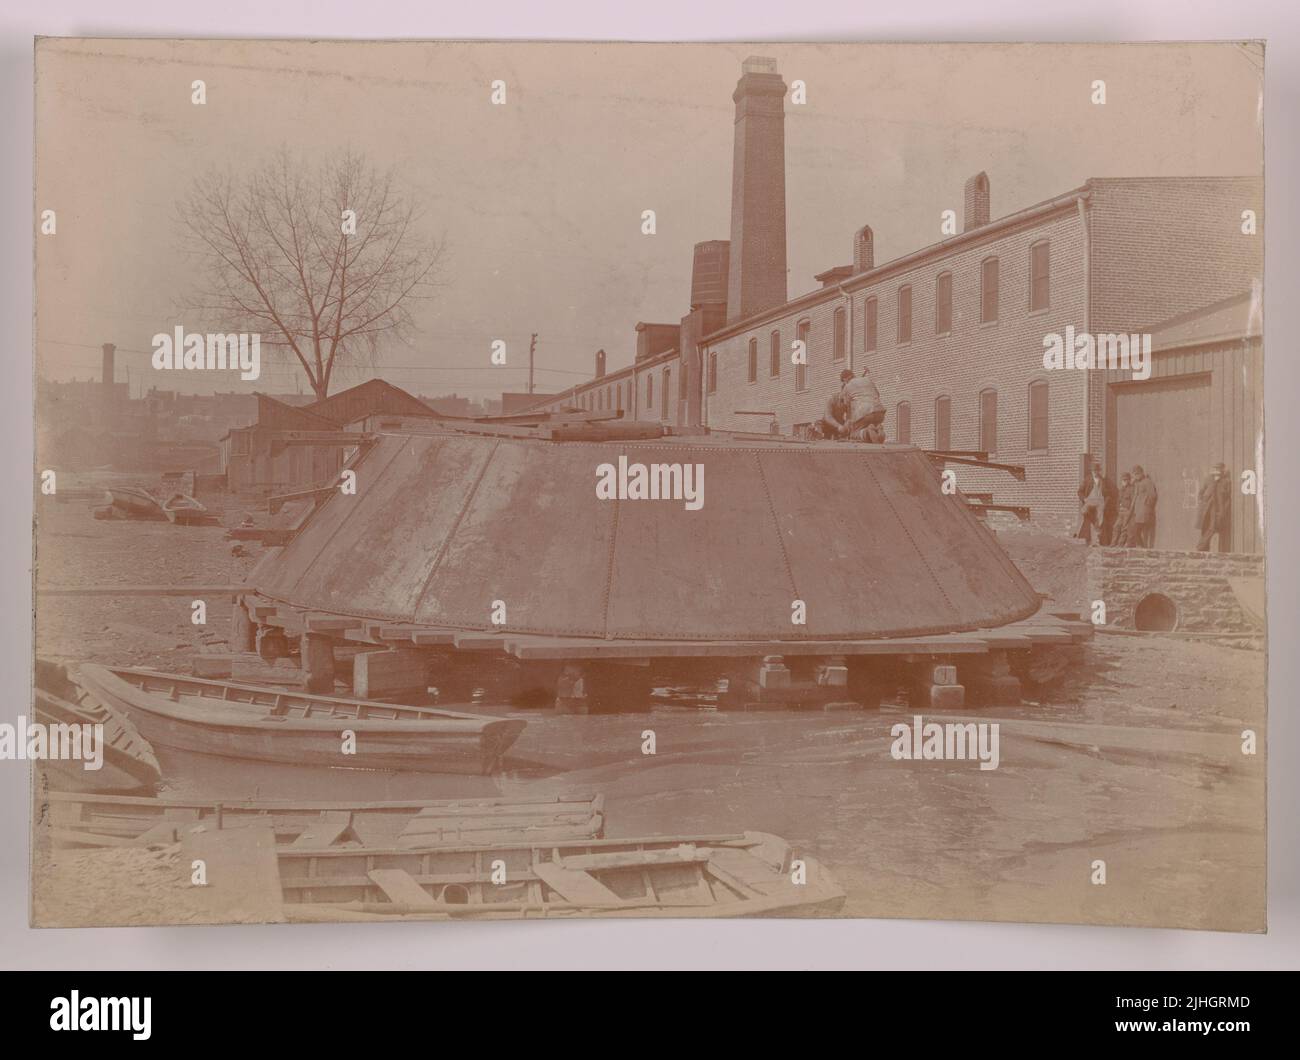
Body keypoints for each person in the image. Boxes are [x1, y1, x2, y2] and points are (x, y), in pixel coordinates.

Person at [842, 366, 886, 443]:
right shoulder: (867, 380)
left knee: (854, 434)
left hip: (865, 413)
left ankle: (866, 432)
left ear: (845, 379)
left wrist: (850, 423)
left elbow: (847, 407)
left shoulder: (847, 386)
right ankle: (878, 428)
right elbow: (878, 394)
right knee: (872, 426)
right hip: (880, 412)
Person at [1196, 462, 1233, 552]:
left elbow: (1227, 498)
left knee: (1213, 528)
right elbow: (1201, 492)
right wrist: (1202, 503)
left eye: (1219, 469)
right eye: (1215, 468)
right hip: (1206, 509)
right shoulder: (1208, 479)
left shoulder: (1226, 482)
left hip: (1217, 509)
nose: (1216, 471)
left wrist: (1223, 510)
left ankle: (1200, 546)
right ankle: (1204, 550)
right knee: (1205, 527)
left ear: (1222, 470)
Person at [1075, 463, 1111, 545]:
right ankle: (1088, 537)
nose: (1095, 472)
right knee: (1084, 512)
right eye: (1094, 471)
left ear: (1099, 471)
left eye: (1097, 470)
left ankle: (1097, 540)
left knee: (1100, 520)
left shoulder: (1103, 480)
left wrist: (1105, 503)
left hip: (1100, 502)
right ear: (1091, 471)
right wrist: (1084, 499)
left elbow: (1108, 494)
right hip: (1090, 500)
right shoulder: (1087, 480)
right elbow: (1079, 491)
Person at [816, 369, 855, 439]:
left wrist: (847, 424)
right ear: (843, 391)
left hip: (839, 425)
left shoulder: (848, 401)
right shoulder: (832, 399)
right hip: (827, 425)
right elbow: (828, 417)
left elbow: (849, 416)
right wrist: (839, 426)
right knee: (819, 425)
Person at [1127, 465, 1158, 548]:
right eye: (1134, 474)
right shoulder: (1137, 483)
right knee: (1137, 531)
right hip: (1138, 512)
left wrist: (1146, 506)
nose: (1135, 476)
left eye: (1137, 474)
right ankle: (1143, 547)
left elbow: (1153, 495)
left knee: (1138, 531)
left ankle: (1143, 548)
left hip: (1144, 512)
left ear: (1141, 473)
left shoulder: (1147, 482)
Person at [1111, 472, 1134, 548]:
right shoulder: (1121, 490)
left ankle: (1120, 544)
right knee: (1116, 527)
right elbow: (1118, 501)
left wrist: (1129, 511)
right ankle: (1113, 543)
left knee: (1124, 528)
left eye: (1126, 480)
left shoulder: (1131, 489)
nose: (1124, 481)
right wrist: (1118, 509)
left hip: (1127, 511)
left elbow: (1132, 501)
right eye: (1123, 480)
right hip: (1120, 511)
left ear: (1129, 480)